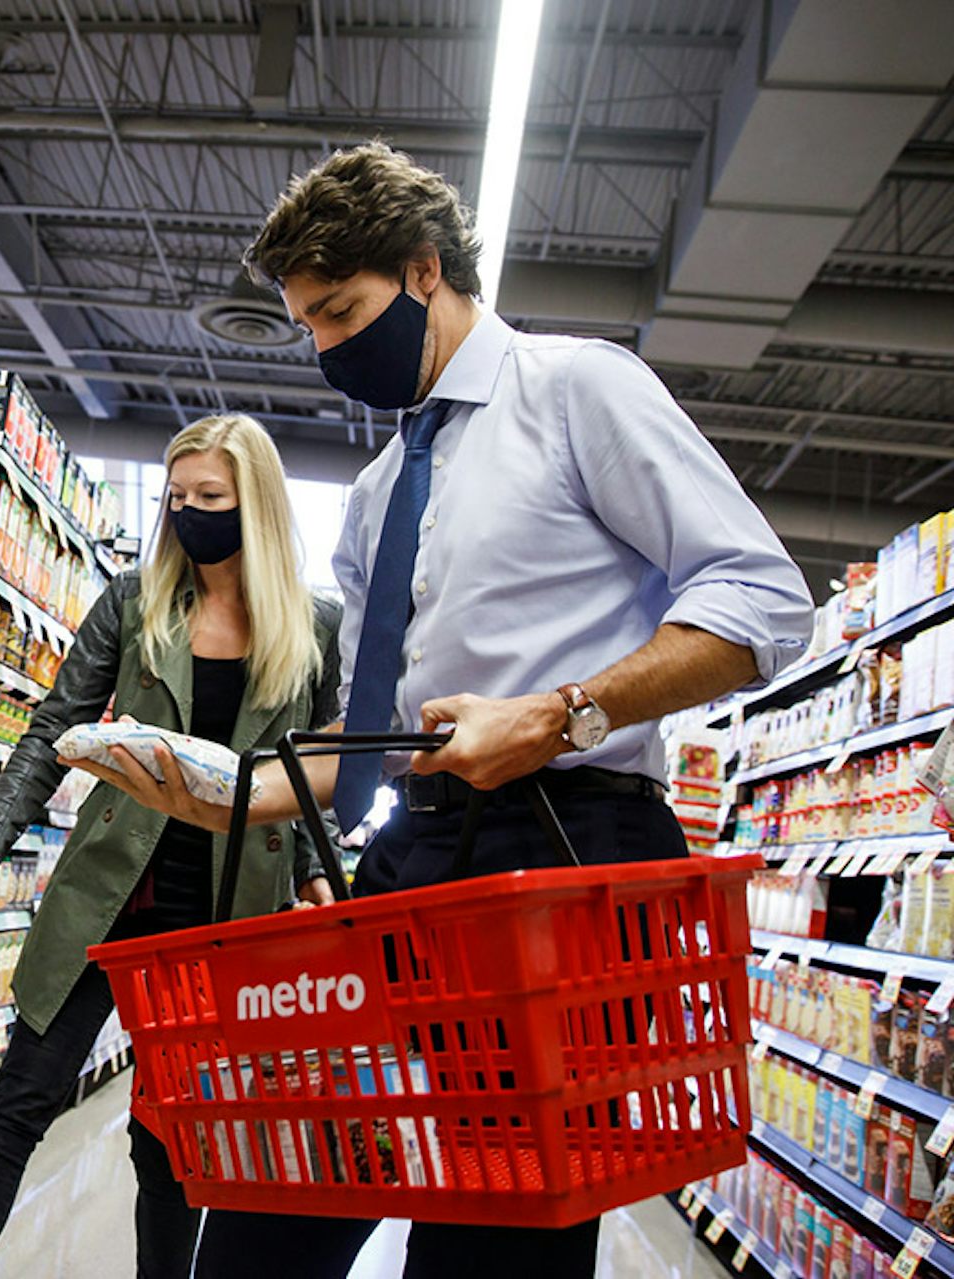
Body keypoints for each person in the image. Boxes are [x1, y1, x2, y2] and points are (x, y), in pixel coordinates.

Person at [65, 143, 815, 1278]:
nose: (322, 346)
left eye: (339, 310)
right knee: (272, 1219)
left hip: (572, 863)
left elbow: (764, 600)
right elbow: (384, 743)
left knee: (491, 1247)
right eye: (307, 322)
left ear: (424, 271)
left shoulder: (577, 390)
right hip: (414, 862)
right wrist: (234, 794)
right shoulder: (375, 495)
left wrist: (563, 713)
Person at [0, 414, 343, 1279]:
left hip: (222, 920)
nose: (187, 513)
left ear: (253, 503)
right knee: (15, 1107)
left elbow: (314, 772)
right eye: (177, 497)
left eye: (209, 497)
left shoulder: (317, 627)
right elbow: (52, 726)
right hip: (110, 894)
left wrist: (315, 876)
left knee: (173, 1140)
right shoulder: (135, 601)